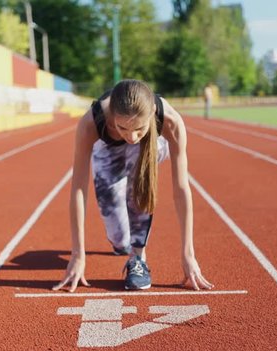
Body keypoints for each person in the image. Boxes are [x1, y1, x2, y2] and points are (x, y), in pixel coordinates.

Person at [52, 79, 213, 292]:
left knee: (138, 163)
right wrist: (77, 255)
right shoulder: (92, 122)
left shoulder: (171, 121)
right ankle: (124, 246)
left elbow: (181, 189)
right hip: (108, 151)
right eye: (122, 128)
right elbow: (79, 190)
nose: (131, 136)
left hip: (154, 146)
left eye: (139, 128)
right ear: (111, 116)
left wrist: (188, 255)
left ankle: (138, 259)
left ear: (153, 112)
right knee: (119, 238)